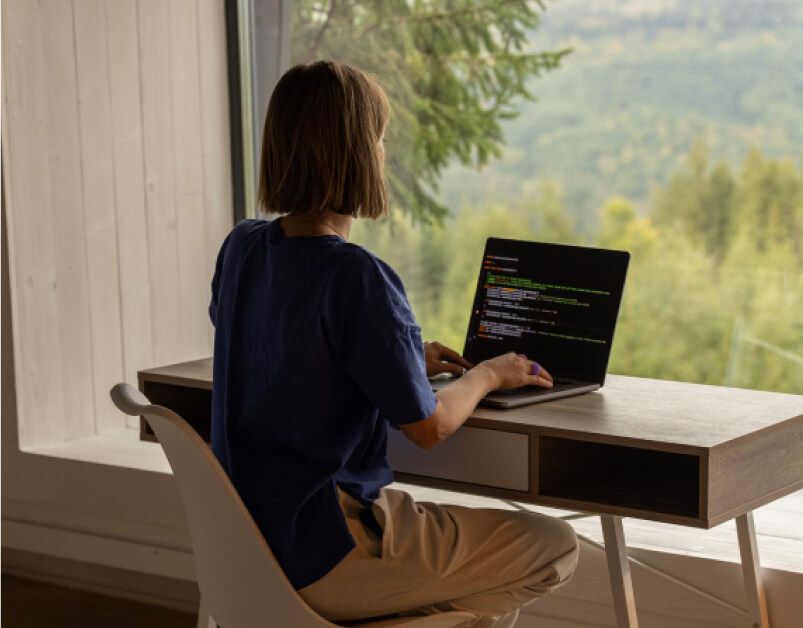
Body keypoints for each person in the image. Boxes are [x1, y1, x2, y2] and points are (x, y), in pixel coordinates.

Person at [207, 60, 578, 628]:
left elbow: (277, 339)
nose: (383, 153)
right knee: (555, 545)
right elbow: (430, 428)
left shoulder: (242, 247)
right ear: (354, 153)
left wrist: (391, 362)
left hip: (248, 549)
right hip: (329, 551)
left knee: (452, 582)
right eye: (378, 139)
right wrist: (489, 374)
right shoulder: (357, 276)